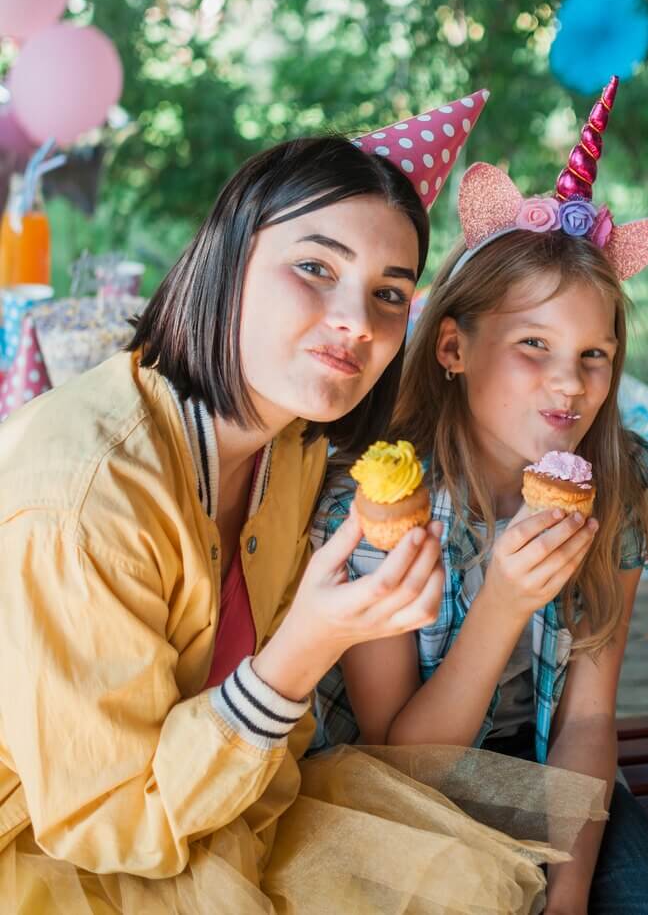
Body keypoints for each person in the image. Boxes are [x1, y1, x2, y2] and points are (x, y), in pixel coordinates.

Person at [0, 110, 475, 913]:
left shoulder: (288, 450)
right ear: (229, 261)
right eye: (317, 267)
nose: (359, 322)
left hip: (214, 810)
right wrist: (307, 647)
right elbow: (105, 824)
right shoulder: (86, 502)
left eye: (390, 293)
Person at [313, 78, 648, 914]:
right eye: (534, 344)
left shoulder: (622, 481)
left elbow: (589, 723)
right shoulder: (381, 501)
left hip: (554, 779)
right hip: (401, 801)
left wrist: (566, 898)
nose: (571, 384)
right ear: (452, 346)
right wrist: (503, 603)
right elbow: (400, 761)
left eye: (594, 354)